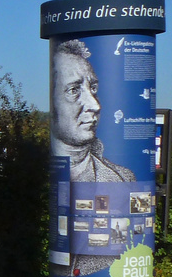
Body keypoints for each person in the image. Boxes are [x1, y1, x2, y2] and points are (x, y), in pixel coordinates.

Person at [51, 40, 135, 183]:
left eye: (93, 88)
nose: (95, 105)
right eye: (74, 90)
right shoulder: (33, 173)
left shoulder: (123, 179)